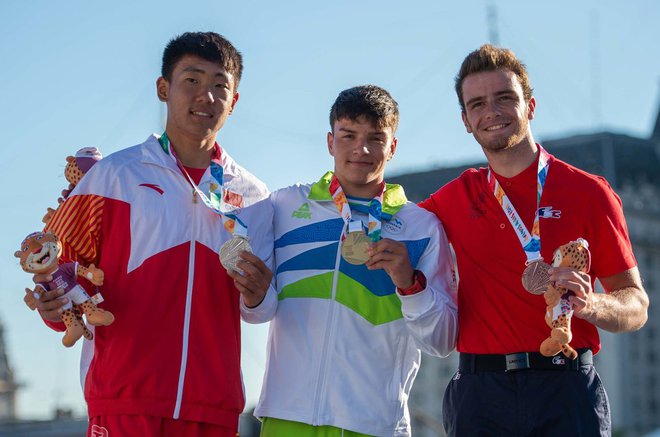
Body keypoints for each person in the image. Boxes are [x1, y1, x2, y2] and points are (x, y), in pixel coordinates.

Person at [33, 32, 277, 436]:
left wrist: (257, 294)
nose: (207, 96)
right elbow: (55, 272)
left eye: (220, 85)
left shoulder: (254, 195)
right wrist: (53, 309)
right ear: (163, 88)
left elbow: (259, 310)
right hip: (124, 400)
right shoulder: (113, 176)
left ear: (234, 101)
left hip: (213, 407)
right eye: (192, 80)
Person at [420, 44, 649, 436]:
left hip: (566, 386)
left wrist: (592, 304)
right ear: (465, 120)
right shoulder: (455, 197)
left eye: (505, 98)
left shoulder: (589, 192)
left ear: (530, 106)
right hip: (480, 393)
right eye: (477, 104)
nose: (491, 111)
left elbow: (636, 305)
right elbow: (387, 220)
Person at [254, 85, 459, 436]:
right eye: (348, 135)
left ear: (392, 147)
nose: (360, 149)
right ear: (330, 141)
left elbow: (441, 341)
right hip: (286, 416)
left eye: (375, 138)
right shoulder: (284, 206)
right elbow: (256, 311)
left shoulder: (420, 225)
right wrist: (254, 294)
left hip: (373, 423)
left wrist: (410, 285)